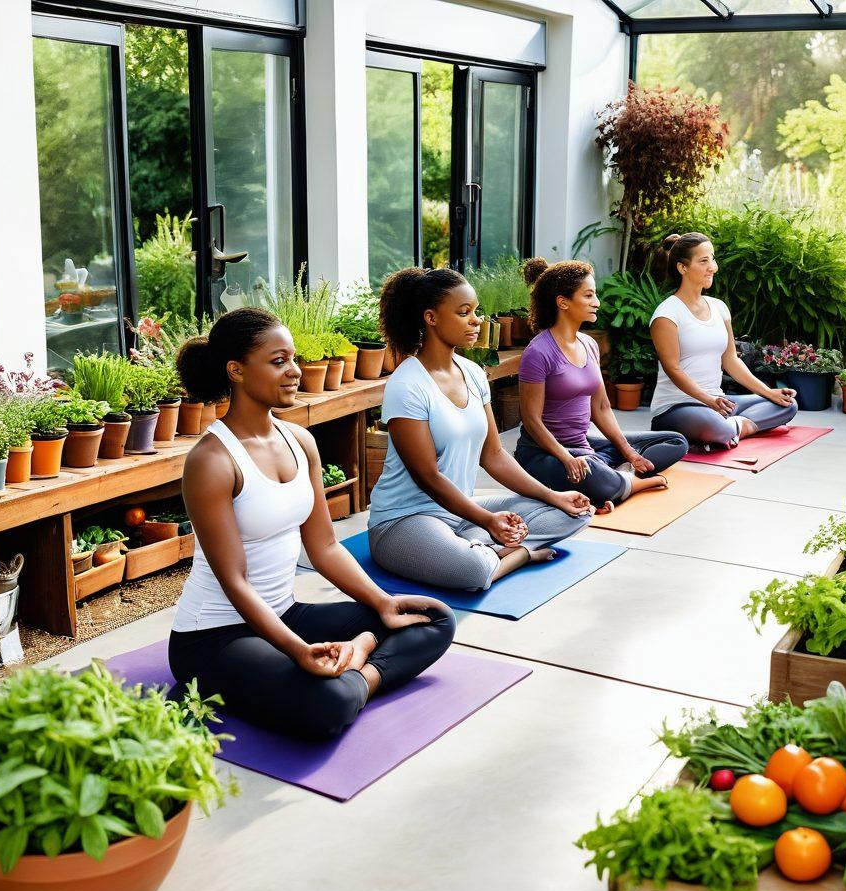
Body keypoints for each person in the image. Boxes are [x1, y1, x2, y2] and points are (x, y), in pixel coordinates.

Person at [169, 308, 455, 741]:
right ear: (237, 370)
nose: (295, 372)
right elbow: (234, 581)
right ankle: (354, 674)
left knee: (434, 618)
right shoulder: (212, 461)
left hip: (285, 612)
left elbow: (324, 548)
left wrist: (381, 603)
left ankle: (354, 665)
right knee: (329, 707)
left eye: (294, 359)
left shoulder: (299, 440)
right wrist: (297, 650)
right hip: (215, 636)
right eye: (278, 360)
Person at [368, 267, 594, 591]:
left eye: (476, 311)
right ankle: (515, 556)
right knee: (472, 572)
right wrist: (487, 521)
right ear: (430, 318)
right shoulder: (407, 386)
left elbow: (495, 454)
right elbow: (428, 477)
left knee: (574, 512)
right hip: (407, 521)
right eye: (464, 313)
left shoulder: (473, 373)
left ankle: (485, 547)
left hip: (463, 513)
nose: (476, 320)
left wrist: (554, 496)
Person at [514, 257, 688, 510]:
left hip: (584, 446)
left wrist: (629, 452)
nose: (597, 303)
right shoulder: (538, 352)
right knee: (589, 469)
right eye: (588, 296)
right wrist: (566, 457)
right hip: (544, 454)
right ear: (563, 302)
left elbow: (602, 408)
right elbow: (531, 421)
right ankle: (633, 482)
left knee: (675, 442)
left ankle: (613, 477)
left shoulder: (589, 345)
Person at [648, 233, 798, 449]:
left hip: (719, 403)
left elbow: (730, 360)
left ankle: (733, 429)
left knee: (787, 405)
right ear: (683, 268)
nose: (713, 267)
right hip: (677, 407)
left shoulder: (719, 307)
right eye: (704, 261)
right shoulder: (667, 315)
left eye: (713, 259)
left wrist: (768, 392)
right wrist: (708, 401)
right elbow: (673, 369)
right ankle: (726, 431)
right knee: (718, 428)